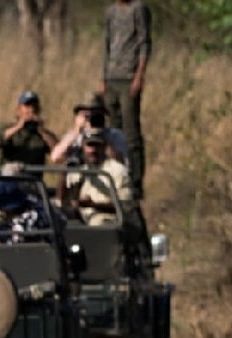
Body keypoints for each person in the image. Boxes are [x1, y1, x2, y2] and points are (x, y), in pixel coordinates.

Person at [101, 0, 150, 197]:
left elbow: (144, 43)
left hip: (129, 77)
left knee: (131, 132)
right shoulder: (111, 11)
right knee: (113, 131)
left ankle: (135, 181)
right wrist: (103, 77)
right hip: (111, 77)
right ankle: (116, 176)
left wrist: (139, 76)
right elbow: (107, 44)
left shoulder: (138, 9)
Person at [67, 128, 134, 226]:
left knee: (99, 223)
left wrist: (92, 205)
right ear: (83, 147)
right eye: (89, 145)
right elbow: (63, 201)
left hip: (107, 222)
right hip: (82, 222)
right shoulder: (78, 173)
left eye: (97, 146)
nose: (93, 150)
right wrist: (66, 169)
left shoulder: (118, 171)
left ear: (104, 147)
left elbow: (125, 206)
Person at [50, 94, 127, 168]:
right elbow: (55, 158)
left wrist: (102, 138)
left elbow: (123, 163)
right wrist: (75, 132)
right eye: (86, 115)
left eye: (95, 114)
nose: (91, 118)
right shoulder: (75, 136)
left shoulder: (114, 135)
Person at [0, 90, 55, 169]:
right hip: (10, 175)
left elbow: (58, 152)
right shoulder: (9, 129)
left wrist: (42, 131)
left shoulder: (43, 134)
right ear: (18, 110)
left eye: (34, 106)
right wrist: (19, 126)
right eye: (27, 106)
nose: (31, 110)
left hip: (32, 176)